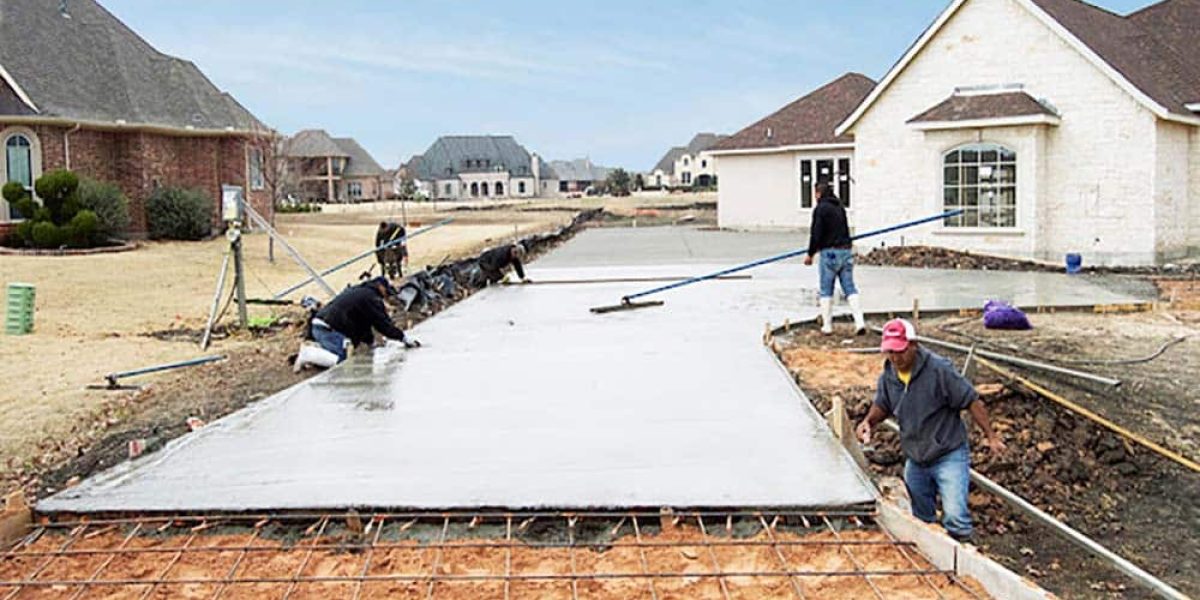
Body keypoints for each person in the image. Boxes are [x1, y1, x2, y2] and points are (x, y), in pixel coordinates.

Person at [856, 319, 1006, 542]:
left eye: (900, 351)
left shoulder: (939, 370)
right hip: (916, 457)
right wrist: (868, 422)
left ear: (914, 345)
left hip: (948, 453)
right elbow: (883, 405)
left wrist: (991, 437)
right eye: (890, 352)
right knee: (922, 520)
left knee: (955, 517)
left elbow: (971, 400)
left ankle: (964, 558)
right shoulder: (889, 375)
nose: (896, 358)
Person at [803, 181, 865, 335]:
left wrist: (810, 254)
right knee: (850, 288)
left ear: (818, 193)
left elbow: (816, 234)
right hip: (845, 251)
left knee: (826, 290)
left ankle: (827, 326)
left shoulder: (820, 209)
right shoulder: (840, 207)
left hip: (829, 253)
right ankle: (860, 322)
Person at [310, 276, 420, 363]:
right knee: (342, 360)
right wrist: (403, 338)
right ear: (380, 287)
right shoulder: (371, 298)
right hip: (326, 328)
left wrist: (371, 342)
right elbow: (382, 324)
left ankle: (318, 349)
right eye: (386, 292)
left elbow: (363, 324)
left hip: (323, 325)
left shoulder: (362, 293)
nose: (386, 297)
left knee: (347, 351)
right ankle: (307, 355)